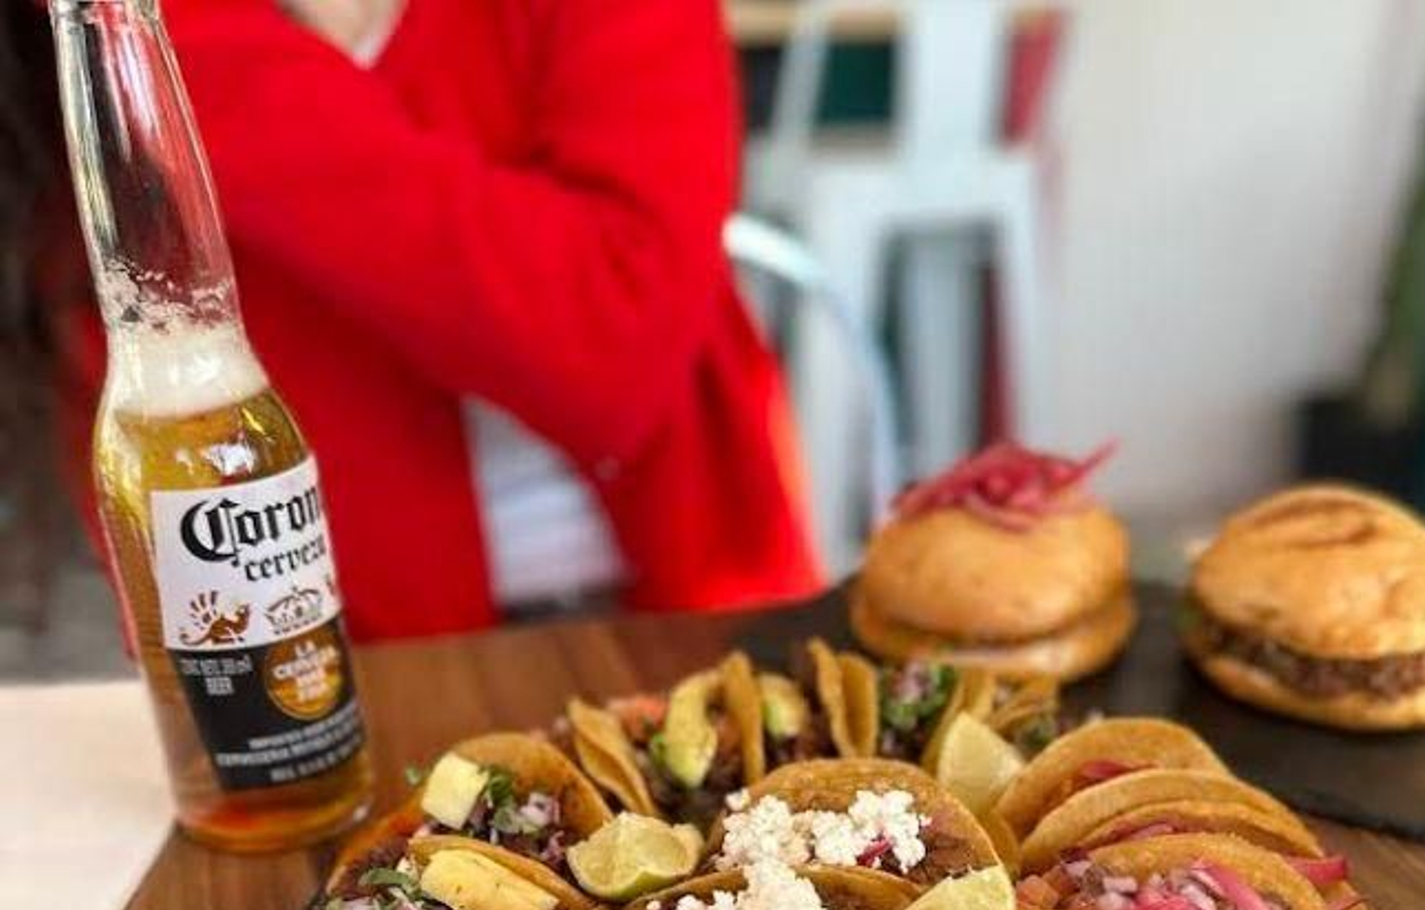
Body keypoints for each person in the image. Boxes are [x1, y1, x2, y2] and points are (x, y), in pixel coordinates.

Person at [4, 0, 822, 640]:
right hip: (308, 645)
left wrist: (178, 56)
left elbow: (610, 337)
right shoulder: (83, 43)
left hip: (678, 605)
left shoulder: (130, 40)